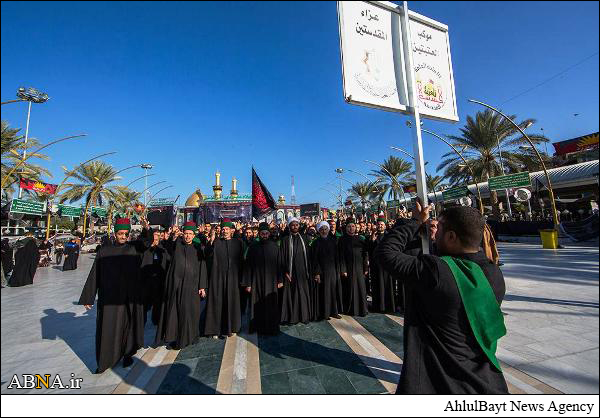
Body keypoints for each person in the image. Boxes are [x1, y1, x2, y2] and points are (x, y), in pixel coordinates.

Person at [375, 201, 508, 394]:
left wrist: (415, 221)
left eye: (441, 227)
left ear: (452, 236)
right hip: (483, 381)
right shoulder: (494, 274)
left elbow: (385, 253)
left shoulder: (437, 272)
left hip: (438, 382)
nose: (435, 234)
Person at [78, 218, 146, 373]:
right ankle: (105, 361)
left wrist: (146, 226)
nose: (123, 236)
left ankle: (127, 355)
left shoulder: (133, 249)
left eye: (126, 234)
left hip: (128, 298)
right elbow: (95, 274)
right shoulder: (104, 251)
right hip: (109, 299)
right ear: (115, 234)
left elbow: (146, 242)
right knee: (107, 329)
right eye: (120, 233)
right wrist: (89, 297)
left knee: (127, 327)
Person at [155, 221, 207, 349]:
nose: (188, 236)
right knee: (177, 312)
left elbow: (203, 267)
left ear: (194, 235)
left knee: (190, 312)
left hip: (192, 286)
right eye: (186, 233)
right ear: (182, 234)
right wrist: (173, 236)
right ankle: (179, 339)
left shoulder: (198, 249)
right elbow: (166, 247)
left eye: (190, 234)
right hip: (176, 285)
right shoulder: (176, 245)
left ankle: (192, 336)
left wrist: (202, 286)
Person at [202, 218, 243, 338]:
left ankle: (233, 327)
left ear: (231, 230)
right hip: (217, 278)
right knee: (217, 303)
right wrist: (212, 240)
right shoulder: (217, 242)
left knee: (232, 303)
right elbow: (207, 255)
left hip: (233, 279)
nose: (225, 231)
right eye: (223, 229)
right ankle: (215, 329)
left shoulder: (237, 242)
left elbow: (241, 261)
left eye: (227, 229)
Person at [242, 222, 283, 335]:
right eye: (262, 233)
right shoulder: (253, 248)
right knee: (257, 304)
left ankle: (271, 327)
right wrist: (248, 284)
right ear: (259, 234)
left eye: (266, 233)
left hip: (272, 281)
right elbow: (248, 266)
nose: (264, 235)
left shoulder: (274, 246)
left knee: (271, 304)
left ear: (268, 234)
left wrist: (280, 280)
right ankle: (258, 326)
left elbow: (279, 264)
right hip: (256, 281)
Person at [279, 217, 313, 325]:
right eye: (292, 225)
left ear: (299, 226)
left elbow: (310, 255)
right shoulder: (285, 240)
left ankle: (305, 316)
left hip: (303, 272)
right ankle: (292, 317)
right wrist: (285, 271)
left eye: (296, 225)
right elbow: (282, 257)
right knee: (291, 295)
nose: (295, 227)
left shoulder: (305, 238)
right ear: (289, 226)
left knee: (303, 294)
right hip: (290, 273)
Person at [310, 221, 343, 320]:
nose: (324, 231)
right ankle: (325, 313)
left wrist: (338, 269)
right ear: (319, 231)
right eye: (322, 229)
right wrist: (317, 273)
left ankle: (334, 312)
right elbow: (314, 259)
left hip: (333, 271)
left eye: (325, 229)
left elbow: (337, 256)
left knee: (334, 291)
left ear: (328, 230)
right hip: (322, 272)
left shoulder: (333, 241)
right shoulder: (316, 243)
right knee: (324, 293)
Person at [338, 218, 369, 317]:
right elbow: (341, 256)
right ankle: (350, 309)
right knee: (350, 288)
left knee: (361, 288)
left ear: (355, 228)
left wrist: (366, 268)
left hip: (359, 268)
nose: (351, 228)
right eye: (349, 227)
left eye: (353, 226)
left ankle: (362, 309)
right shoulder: (342, 240)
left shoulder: (360, 239)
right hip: (348, 268)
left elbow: (365, 255)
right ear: (346, 228)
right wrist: (343, 270)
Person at [141, 227, 170, 326]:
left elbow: (168, 260)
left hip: (158, 282)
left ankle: (156, 321)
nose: (156, 240)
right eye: (154, 237)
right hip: (145, 282)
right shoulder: (145, 249)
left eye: (158, 238)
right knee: (144, 305)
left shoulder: (162, 249)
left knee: (157, 304)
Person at [368, 217, 396, 313]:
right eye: (379, 224)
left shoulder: (389, 236)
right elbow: (369, 250)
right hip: (376, 266)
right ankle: (377, 306)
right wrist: (372, 240)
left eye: (382, 224)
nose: (380, 226)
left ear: (385, 226)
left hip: (387, 266)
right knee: (376, 286)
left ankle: (389, 306)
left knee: (388, 285)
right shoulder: (372, 236)